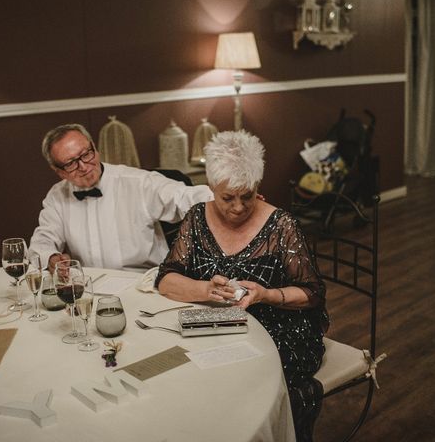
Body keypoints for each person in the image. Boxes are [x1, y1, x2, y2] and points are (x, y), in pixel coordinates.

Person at [155, 130, 329, 442]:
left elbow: (312, 292)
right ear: (211, 188)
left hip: (279, 329)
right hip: (216, 324)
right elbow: (166, 278)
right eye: (227, 198)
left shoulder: (282, 225)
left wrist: (266, 295)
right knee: (176, 370)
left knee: (234, 382)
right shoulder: (196, 218)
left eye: (247, 196)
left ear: (258, 188)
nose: (238, 207)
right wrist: (205, 290)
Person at [29, 123, 213, 272]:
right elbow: (43, 239)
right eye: (71, 163)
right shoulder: (57, 196)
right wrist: (51, 258)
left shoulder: (137, 182)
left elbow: (184, 197)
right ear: (59, 172)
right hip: (90, 290)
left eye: (86, 154)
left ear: (95, 148)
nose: (84, 166)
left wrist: (226, 199)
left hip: (144, 285)